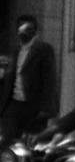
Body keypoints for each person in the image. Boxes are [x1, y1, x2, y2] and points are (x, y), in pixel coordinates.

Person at [0, 14, 57, 145]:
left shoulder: (44, 49)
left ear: (35, 31)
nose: (24, 31)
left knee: (32, 143)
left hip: (33, 106)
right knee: (8, 141)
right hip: (14, 104)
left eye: (28, 28)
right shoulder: (16, 50)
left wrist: (46, 109)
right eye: (21, 28)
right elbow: (12, 76)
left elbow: (50, 80)